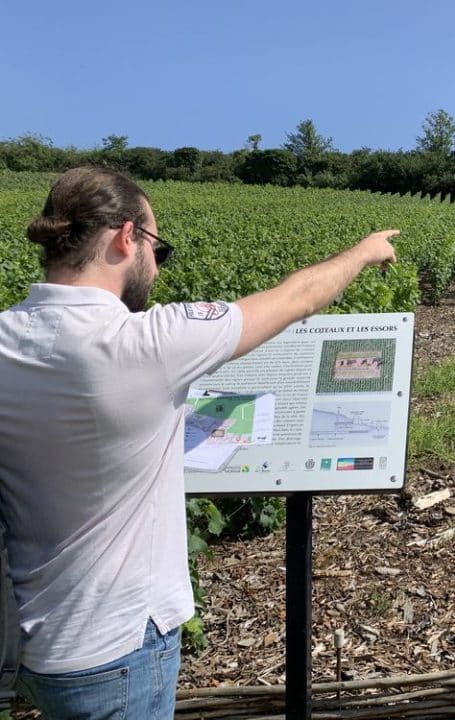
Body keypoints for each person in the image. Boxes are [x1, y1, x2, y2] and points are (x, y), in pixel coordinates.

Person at [0, 167, 397, 719]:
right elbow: (295, 298)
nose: (156, 271)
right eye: (158, 251)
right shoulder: (146, 341)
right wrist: (362, 252)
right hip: (121, 641)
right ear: (126, 237)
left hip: (36, 642)